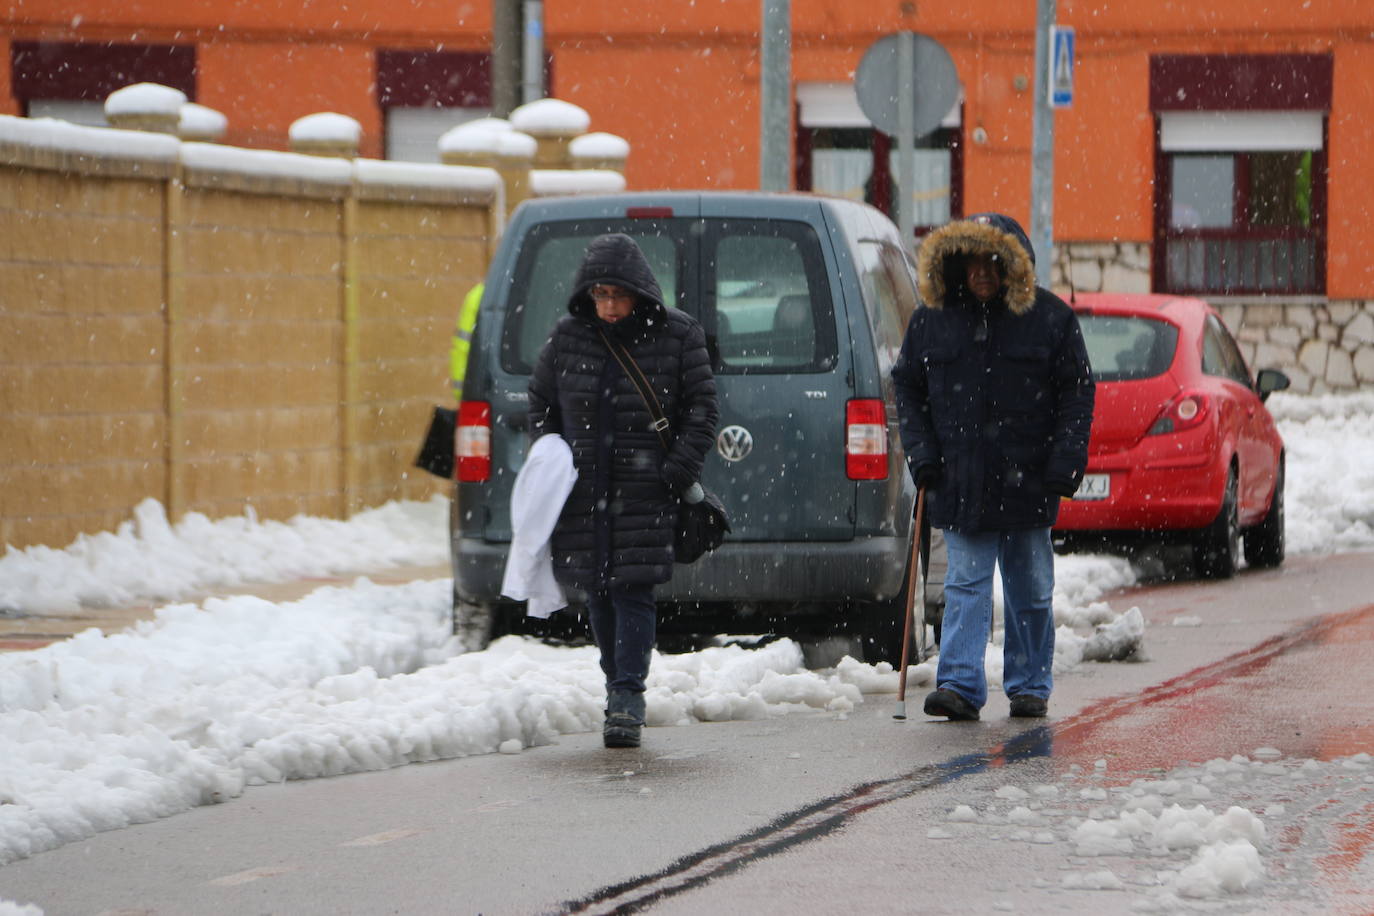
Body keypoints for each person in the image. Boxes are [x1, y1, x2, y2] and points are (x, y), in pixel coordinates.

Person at [891, 213, 1094, 721]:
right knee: (964, 585)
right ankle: (959, 684)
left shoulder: (1050, 319)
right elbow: (909, 389)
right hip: (960, 479)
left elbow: (1077, 391)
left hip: (1028, 480)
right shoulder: (930, 321)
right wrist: (923, 456)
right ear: (957, 267)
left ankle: (1028, 685)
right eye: (972, 262)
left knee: (1029, 589)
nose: (982, 272)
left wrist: (1064, 461)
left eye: (993, 262)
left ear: (1013, 266)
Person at [527, 233, 718, 748]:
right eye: (600, 295)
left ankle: (628, 697)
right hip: (584, 490)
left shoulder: (678, 335)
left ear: (639, 291)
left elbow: (702, 411)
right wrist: (552, 456)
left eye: (618, 295)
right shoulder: (568, 337)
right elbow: (541, 402)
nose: (609, 307)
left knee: (633, 590)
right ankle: (616, 685)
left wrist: (673, 473)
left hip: (644, 489)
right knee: (598, 590)